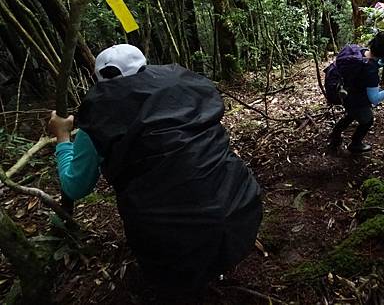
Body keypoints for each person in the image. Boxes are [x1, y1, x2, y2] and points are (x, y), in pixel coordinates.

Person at [48, 44, 262, 291]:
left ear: (98, 78)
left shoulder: (98, 119)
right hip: (241, 210)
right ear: (145, 67)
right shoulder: (184, 89)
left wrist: (63, 137)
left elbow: (74, 187)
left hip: (173, 243)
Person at [327, 31, 384, 154]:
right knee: (367, 120)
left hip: (342, 91)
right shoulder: (370, 70)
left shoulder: (358, 51)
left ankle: (335, 136)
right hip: (352, 97)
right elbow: (374, 99)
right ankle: (355, 144)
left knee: (352, 114)